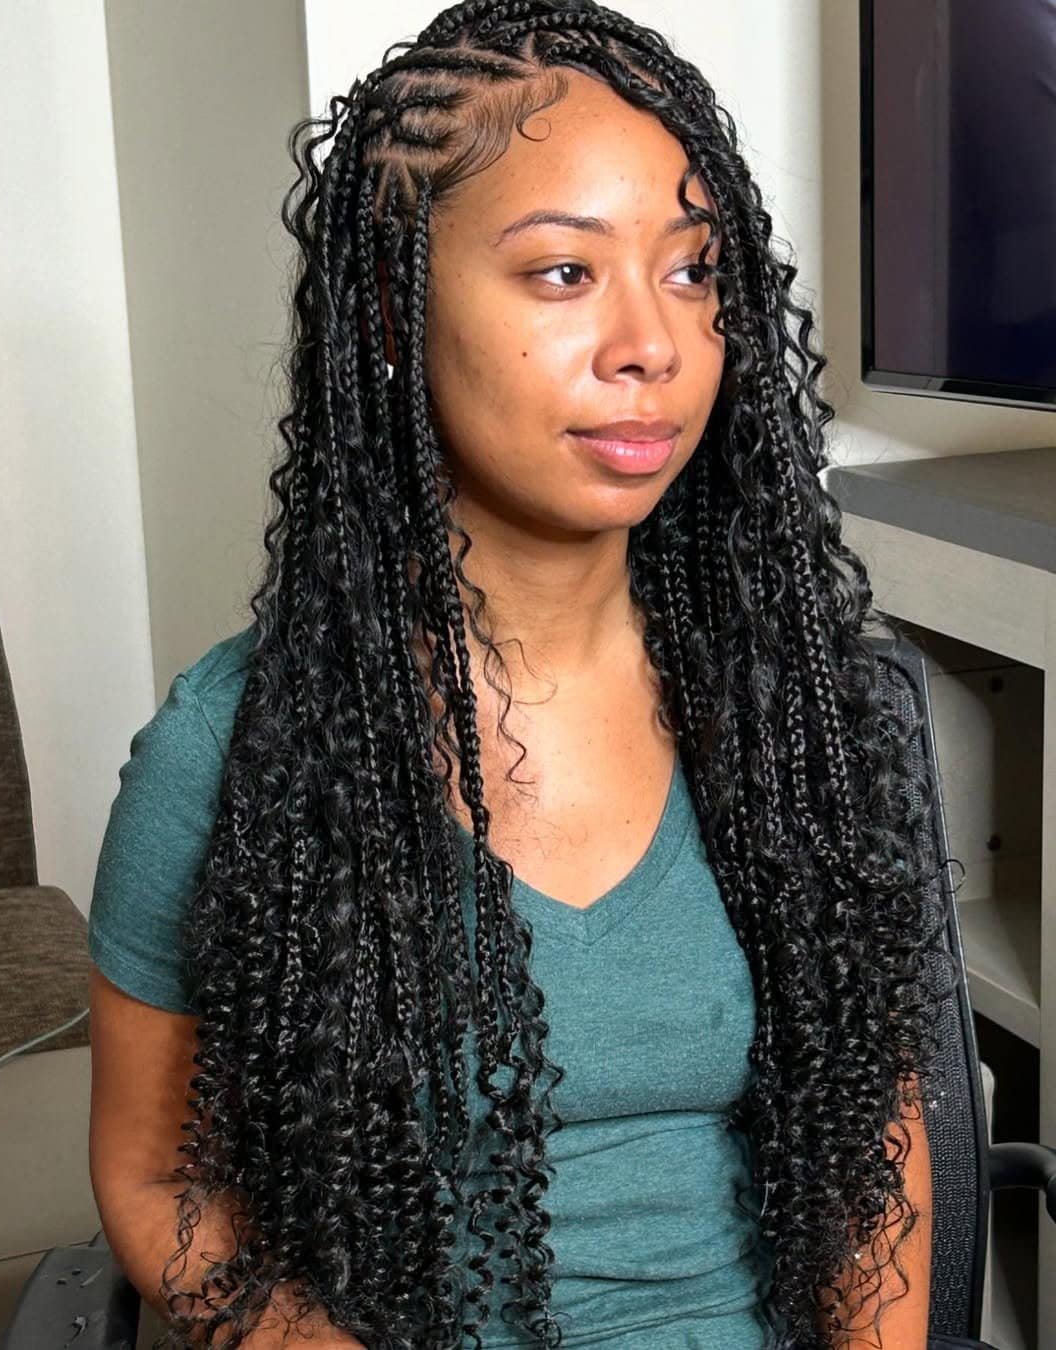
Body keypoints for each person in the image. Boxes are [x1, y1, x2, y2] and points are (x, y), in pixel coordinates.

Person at [86, 1, 962, 1346]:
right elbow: (156, 1175)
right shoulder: (234, 746)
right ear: (393, 305)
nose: (652, 346)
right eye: (563, 273)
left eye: (691, 270)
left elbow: (872, 1139)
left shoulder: (804, 719)